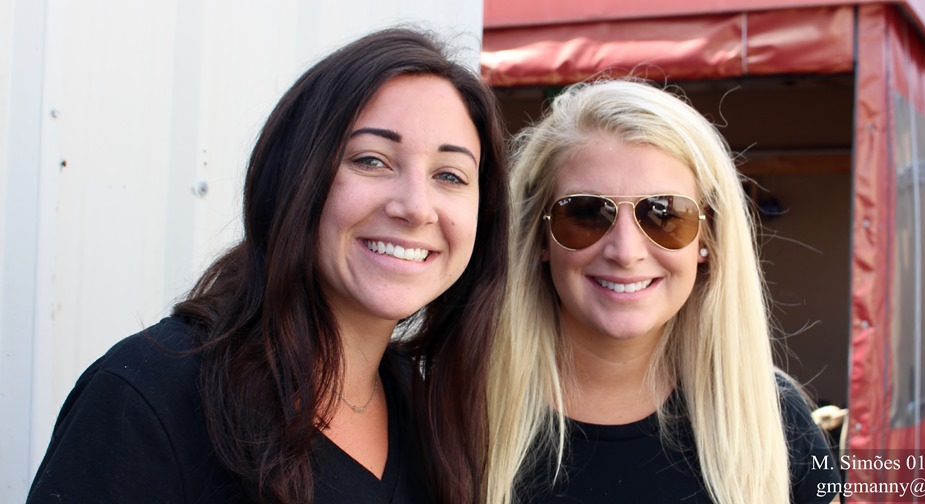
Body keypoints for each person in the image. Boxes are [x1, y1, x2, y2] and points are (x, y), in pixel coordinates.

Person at [28, 27, 507, 504]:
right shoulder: (149, 397)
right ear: (296, 174)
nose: (417, 208)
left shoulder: (429, 416)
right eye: (371, 160)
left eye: (450, 175)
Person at [485, 79, 840, 503]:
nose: (626, 252)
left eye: (665, 214)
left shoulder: (776, 419)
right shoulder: (460, 411)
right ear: (540, 236)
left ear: (707, 238)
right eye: (586, 213)